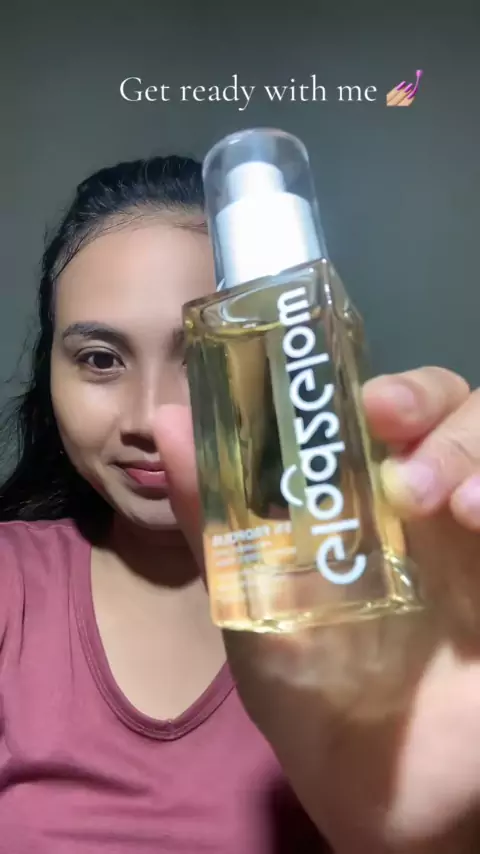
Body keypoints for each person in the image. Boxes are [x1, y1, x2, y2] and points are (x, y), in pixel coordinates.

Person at [0, 153, 479, 854]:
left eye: (200, 356)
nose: (149, 417)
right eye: (101, 359)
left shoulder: (365, 589)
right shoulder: (11, 584)